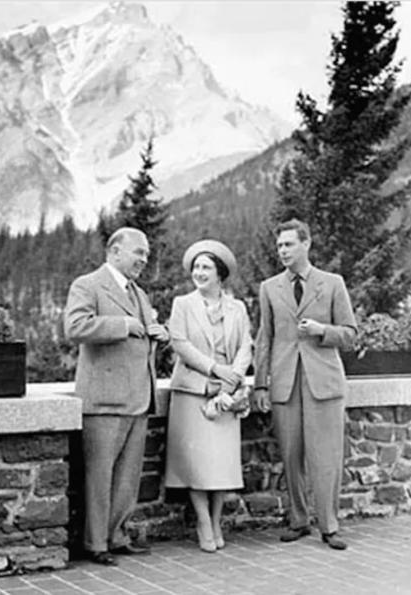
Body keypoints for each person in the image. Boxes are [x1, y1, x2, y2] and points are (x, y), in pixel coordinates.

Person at [64, 227, 168, 566]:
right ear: (114, 251)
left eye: (146, 254)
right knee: (99, 475)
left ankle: (118, 535)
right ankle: (96, 543)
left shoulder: (140, 294)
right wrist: (123, 325)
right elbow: (75, 328)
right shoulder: (88, 284)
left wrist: (159, 333)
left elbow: (142, 337)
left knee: (127, 477)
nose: (143, 259)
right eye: (138, 252)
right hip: (104, 400)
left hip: (138, 398)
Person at [253, 219, 357, 550]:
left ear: (306, 244)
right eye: (279, 246)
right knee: (291, 455)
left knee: (326, 457)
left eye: (288, 244)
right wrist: (260, 385)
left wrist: (321, 330)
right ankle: (299, 520)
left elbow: (351, 335)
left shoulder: (332, 283)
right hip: (285, 383)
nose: (282, 251)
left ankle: (329, 525)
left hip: (323, 383)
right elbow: (264, 338)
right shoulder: (269, 287)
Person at [164, 240, 252, 553]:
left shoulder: (237, 308)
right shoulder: (182, 304)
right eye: (196, 267)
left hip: (226, 394)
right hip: (193, 391)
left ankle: (216, 520)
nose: (199, 273)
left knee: (221, 463)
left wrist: (234, 377)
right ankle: (203, 520)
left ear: (220, 274)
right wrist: (215, 369)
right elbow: (180, 344)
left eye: (206, 268)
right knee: (197, 463)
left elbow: (245, 346)